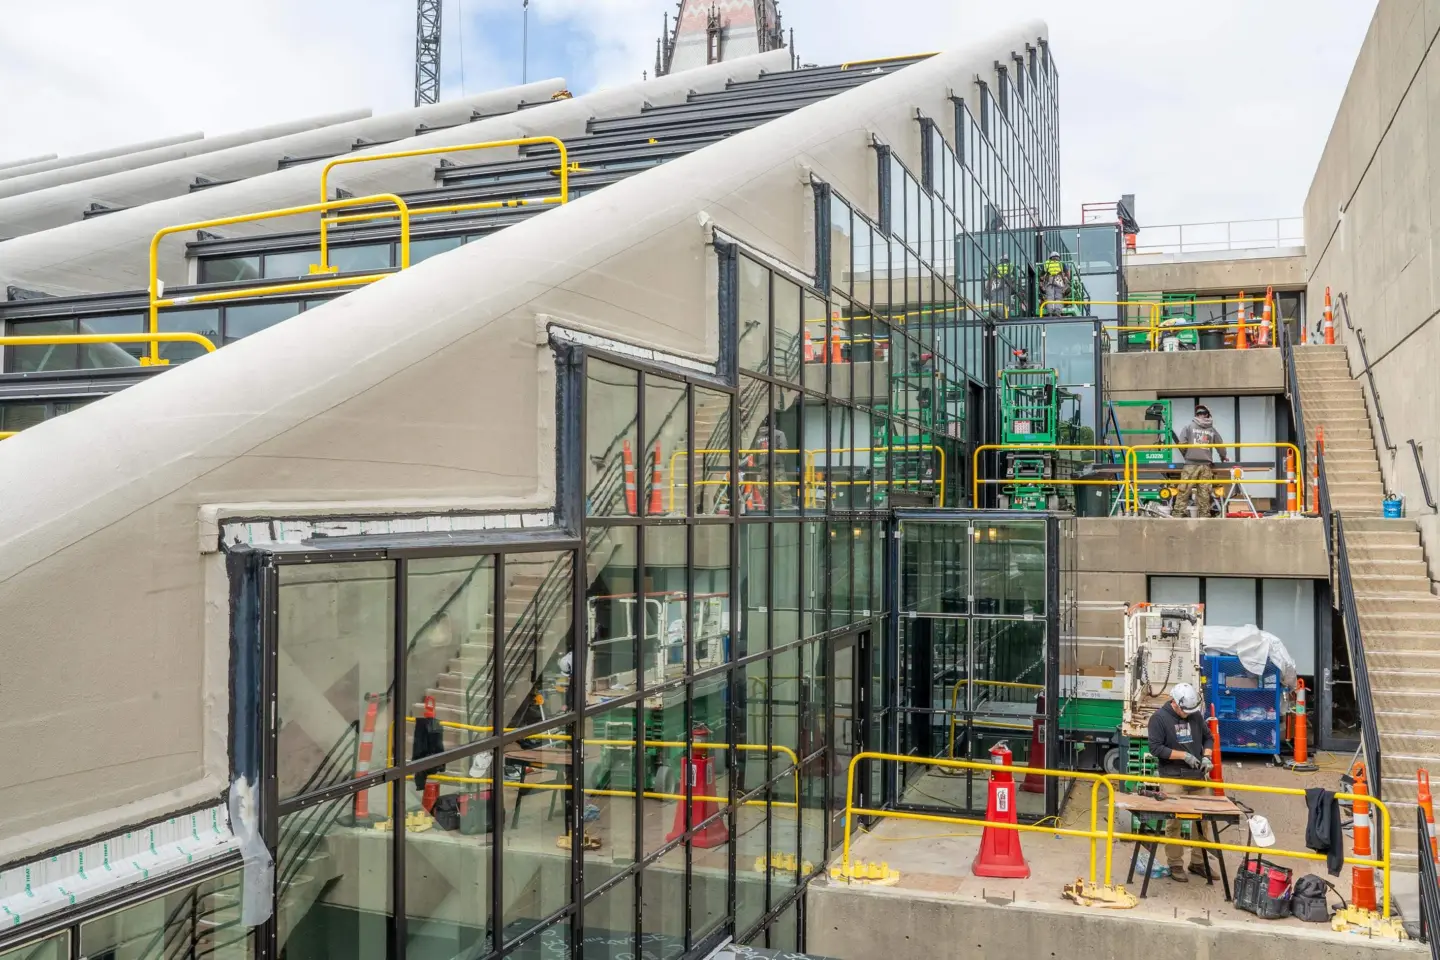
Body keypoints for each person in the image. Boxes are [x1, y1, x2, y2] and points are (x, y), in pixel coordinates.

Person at [1146, 682, 1215, 882]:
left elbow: (1208, 738)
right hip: (1172, 776)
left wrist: (1207, 757)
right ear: (1175, 703)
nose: (1188, 714)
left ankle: (1198, 862)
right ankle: (1175, 863)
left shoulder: (1194, 715)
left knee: (1203, 820)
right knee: (1173, 821)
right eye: (1185, 711)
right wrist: (1183, 756)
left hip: (1197, 775)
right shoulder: (1159, 719)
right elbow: (1156, 748)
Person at [1172, 405, 1229, 517]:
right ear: (1208, 415)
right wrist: (1223, 457)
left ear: (1196, 414)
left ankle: (1178, 514)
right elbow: (1220, 446)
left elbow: (1182, 444)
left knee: (1184, 490)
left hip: (1190, 464)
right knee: (1204, 492)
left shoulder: (1188, 427)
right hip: (1205, 465)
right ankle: (1204, 515)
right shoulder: (1212, 430)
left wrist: (1187, 454)